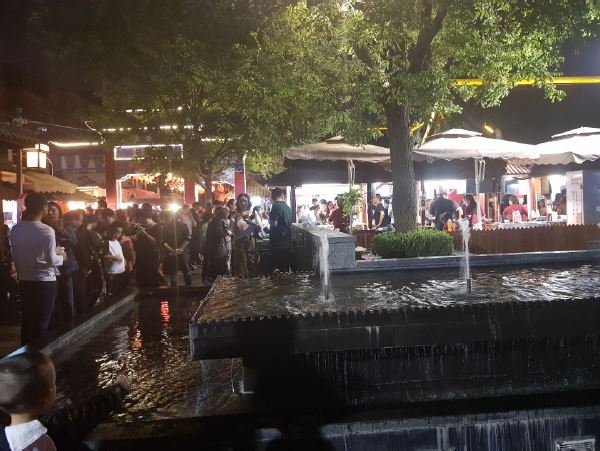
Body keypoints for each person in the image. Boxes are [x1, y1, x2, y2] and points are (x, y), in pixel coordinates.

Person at [0, 352, 130, 451]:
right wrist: (120, 390)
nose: (57, 387)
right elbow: (92, 411)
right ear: (46, 399)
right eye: (53, 383)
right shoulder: (58, 425)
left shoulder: (3, 439)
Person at [10, 193, 65, 344]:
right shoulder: (46, 230)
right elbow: (51, 259)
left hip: (24, 280)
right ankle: (39, 355)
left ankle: (25, 353)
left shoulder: (15, 229)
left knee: (27, 322)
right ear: (43, 207)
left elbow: (15, 256)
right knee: (42, 323)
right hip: (44, 282)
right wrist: (62, 257)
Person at [44, 202, 79, 327]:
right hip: (49, 271)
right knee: (53, 303)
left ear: (59, 212)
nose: (50, 213)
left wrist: (61, 230)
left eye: (53, 210)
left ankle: (70, 326)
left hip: (65, 269)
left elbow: (74, 242)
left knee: (68, 300)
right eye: (48, 210)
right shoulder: (43, 227)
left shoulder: (66, 227)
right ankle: (55, 329)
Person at [133, 209, 164, 288]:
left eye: (139, 219)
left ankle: (155, 291)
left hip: (151, 257)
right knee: (140, 277)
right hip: (140, 256)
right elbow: (139, 240)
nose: (138, 222)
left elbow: (156, 243)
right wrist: (135, 237)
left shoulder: (157, 227)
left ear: (144, 217)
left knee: (151, 276)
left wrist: (146, 234)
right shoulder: (141, 226)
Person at [231, 193, 260, 277]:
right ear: (238, 203)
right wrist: (235, 221)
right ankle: (243, 282)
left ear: (248, 202)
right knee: (240, 264)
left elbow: (260, 228)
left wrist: (250, 222)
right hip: (239, 242)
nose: (243, 203)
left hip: (251, 240)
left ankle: (253, 281)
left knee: (252, 262)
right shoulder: (234, 215)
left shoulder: (253, 213)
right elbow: (233, 231)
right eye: (241, 201)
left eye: (245, 201)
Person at [161, 211, 193, 287]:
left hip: (171, 253)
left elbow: (163, 242)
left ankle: (174, 290)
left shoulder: (165, 227)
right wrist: (180, 249)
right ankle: (189, 289)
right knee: (186, 272)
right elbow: (187, 239)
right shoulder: (184, 226)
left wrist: (172, 251)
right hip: (183, 252)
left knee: (173, 273)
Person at [204, 206, 232, 281]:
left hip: (216, 245)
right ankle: (220, 280)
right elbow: (218, 233)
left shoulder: (216, 220)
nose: (228, 215)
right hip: (218, 245)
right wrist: (227, 232)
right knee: (220, 263)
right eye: (227, 213)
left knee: (217, 263)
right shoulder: (218, 221)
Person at [269, 188, 292, 273]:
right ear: (282, 196)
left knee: (277, 268)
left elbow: (273, 224)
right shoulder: (288, 207)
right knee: (285, 267)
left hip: (277, 242)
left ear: (272, 197)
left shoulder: (275, 206)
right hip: (287, 240)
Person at [103, 222, 126, 298]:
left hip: (119, 271)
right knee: (111, 291)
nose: (117, 234)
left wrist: (124, 260)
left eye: (120, 233)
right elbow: (103, 255)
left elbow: (119, 252)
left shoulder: (116, 241)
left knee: (118, 291)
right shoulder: (106, 242)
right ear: (111, 230)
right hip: (112, 272)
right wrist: (115, 258)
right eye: (116, 232)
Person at [0, 225, 18, 321]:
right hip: (4, 276)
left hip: (5, 275)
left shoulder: (6, 243)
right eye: (8, 231)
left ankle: (10, 312)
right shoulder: (5, 243)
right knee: (13, 286)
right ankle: (12, 313)